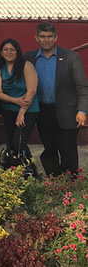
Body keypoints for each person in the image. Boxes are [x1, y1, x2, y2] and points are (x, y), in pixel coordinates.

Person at [25, 23, 88, 176]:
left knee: (68, 149)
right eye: (42, 36)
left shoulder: (71, 57)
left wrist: (82, 110)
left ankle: (70, 181)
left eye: (49, 36)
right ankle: (53, 179)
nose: (46, 40)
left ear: (56, 37)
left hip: (67, 111)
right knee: (49, 148)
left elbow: (82, 86)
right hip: (42, 111)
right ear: (36, 38)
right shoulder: (29, 58)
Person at [0, 38, 39, 162]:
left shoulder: (26, 65)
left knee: (18, 142)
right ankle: (20, 168)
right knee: (12, 143)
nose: (9, 52)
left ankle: (24, 169)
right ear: (1, 52)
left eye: (12, 50)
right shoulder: (0, 68)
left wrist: (21, 113)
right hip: (8, 109)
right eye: (5, 50)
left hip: (28, 110)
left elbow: (32, 91)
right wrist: (15, 100)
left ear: (17, 51)